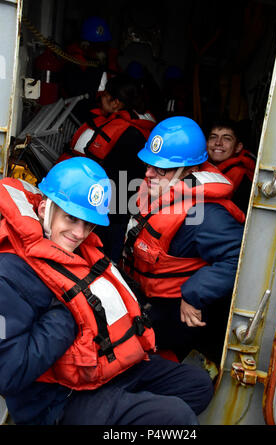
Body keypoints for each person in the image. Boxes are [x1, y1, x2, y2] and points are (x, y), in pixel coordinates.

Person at [0, 157, 213, 426]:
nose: (79, 233)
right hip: (57, 400)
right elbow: (8, 372)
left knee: (197, 385)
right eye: (71, 218)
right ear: (44, 208)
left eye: (88, 224)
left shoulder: (80, 252)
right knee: (176, 418)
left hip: (105, 369)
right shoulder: (8, 274)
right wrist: (67, 313)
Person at [122, 116, 245, 364]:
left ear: (189, 170)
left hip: (174, 311)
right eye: (149, 164)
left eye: (160, 168)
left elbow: (240, 258)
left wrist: (193, 294)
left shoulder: (206, 216)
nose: (148, 173)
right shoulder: (159, 187)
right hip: (140, 291)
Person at [59, 73, 156, 263]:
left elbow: (115, 175)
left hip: (113, 207)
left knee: (103, 254)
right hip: (125, 201)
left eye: (104, 95)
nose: (100, 98)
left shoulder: (127, 133)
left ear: (116, 103)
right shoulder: (138, 125)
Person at [61, 16, 119, 121]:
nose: (101, 50)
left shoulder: (108, 62)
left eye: (103, 45)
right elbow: (80, 94)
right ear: (85, 45)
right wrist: (95, 67)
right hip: (77, 117)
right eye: (97, 46)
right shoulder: (73, 63)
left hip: (103, 113)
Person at [206, 119, 256, 213]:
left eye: (227, 138)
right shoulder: (196, 167)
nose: (218, 143)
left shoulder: (242, 178)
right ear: (206, 143)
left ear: (238, 147)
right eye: (213, 137)